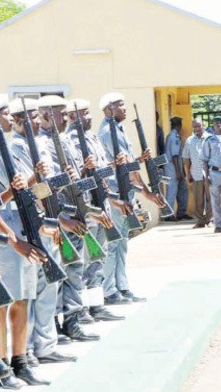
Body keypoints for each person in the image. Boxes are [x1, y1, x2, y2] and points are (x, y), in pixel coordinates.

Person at [0, 93, 51, 388]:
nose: (12, 118)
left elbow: (27, 189)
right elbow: (7, 192)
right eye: (6, 114)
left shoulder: (7, 147)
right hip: (10, 230)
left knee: (24, 298)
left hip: (25, 224)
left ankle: (21, 360)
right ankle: (4, 366)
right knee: (5, 303)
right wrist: (34, 178)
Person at [6, 97, 78, 367]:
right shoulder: (14, 148)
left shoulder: (38, 144)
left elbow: (48, 184)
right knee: (35, 289)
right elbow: (25, 191)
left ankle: (46, 344)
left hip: (49, 217)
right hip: (33, 221)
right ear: (16, 121)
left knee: (50, 285)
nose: (37, 121)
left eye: (36, 116)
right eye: (30, 118)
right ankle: (31, 349)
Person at [37, 95, 102, 343]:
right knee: (59, 272)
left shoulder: (64, 140)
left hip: (76, 213)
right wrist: (62, 220)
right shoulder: (42, 144)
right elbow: (43, 189)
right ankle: (54, 323)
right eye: (60, 114)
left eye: (66, 113)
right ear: (46, 115)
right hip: (59, 218)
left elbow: (69, 181)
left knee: (75, 268)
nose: (66, 118)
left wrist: (84, 170)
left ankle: (73, 319)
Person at [98, 92, 163, 304]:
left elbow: (129, 166)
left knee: (122, 243)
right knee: (114, 243)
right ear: (108, 109)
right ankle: (109, 290)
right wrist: (146, 192)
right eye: (119, 105)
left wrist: (140, 165)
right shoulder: (108, 132)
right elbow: (124, 167)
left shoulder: (118, 129)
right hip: (117, 194)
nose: (123, 108)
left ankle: (122, 286)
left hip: (126, 191)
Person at [66, 98, 125, 322]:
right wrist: (85, 168)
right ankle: (81, 309)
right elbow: (75, 177)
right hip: (87, 204)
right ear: (73, 117)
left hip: (102, 200)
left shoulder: (92, 137)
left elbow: (101, 171)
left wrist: (114, 166)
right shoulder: (70, 140)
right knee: (85, 258)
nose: (90, 117)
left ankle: (96, 305)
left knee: (99, 256)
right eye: (84, 113)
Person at [182, 118, 212, 228]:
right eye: (195, 127)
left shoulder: (210, 138)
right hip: (196, 173)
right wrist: (188, 174)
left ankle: (209, 219)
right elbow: (186, 158)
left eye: (199, 126)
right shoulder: (189, 141)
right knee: (198, 199)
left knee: (211, 198)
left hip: (209, 174)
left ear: (203, 125)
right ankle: (200, 221)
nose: (197, 128)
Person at [164, 116, 191, 221]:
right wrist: (178, 172)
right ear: (179, 125)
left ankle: (181, 212)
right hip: (173, 169)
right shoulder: (174, 137)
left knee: (183, 190)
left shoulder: (172, 135)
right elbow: (175, 156)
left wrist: (182, 171)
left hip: (177, 167)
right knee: (172, 191)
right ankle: (168, 215)